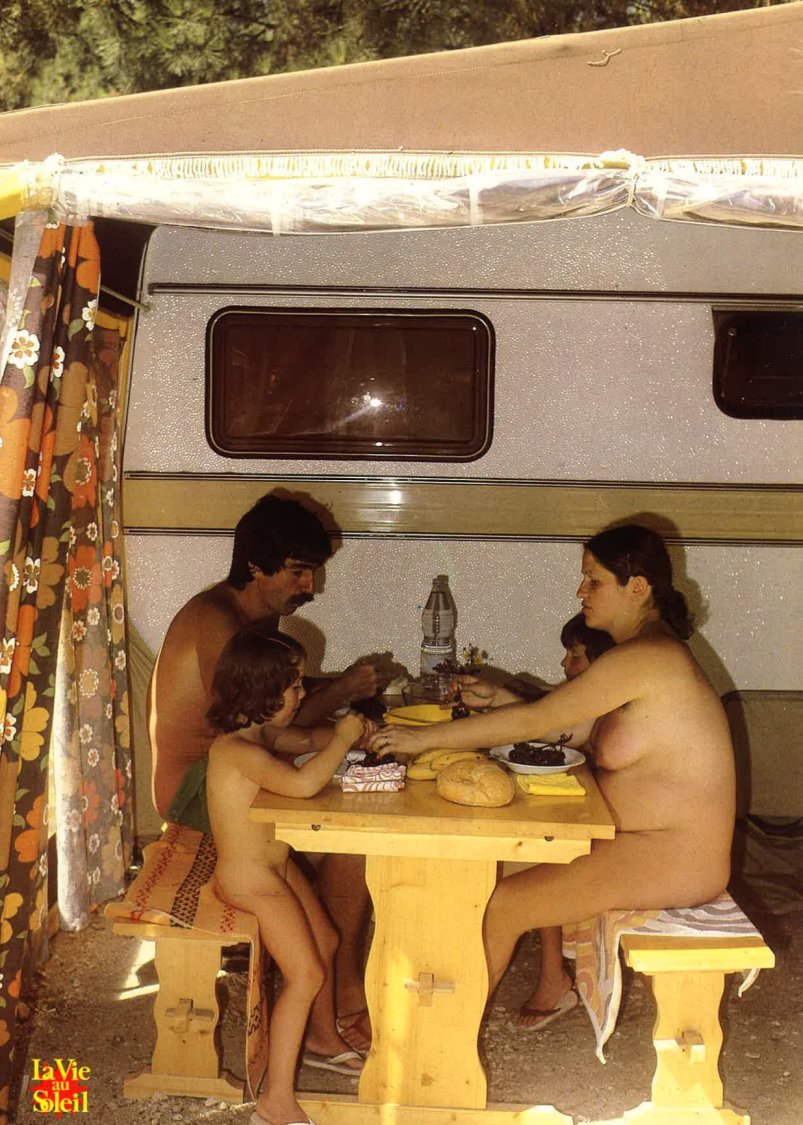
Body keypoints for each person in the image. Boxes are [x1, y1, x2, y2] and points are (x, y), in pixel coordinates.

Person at [369, 523, 736, 1006]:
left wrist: (420, 739)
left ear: (637, 588)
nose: (581, 591)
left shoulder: (651, 657)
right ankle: (416, 1004)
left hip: (677, 856)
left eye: (593, 580)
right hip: (635, 841)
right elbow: (574, 728)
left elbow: (538, 721)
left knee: (504, 907)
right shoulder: (640, 653)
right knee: (474, 867)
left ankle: (446, 1034)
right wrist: (499, 697)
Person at [148, 491, 389, 1050]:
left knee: (352, 775)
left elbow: (278, 721)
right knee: (350, 838)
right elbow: (266, 721)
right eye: (299, 571)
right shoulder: (216, 620)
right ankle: (343, 988)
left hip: (232, 767)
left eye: (314, 572)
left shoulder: (251, 615)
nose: (311, 587)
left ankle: (329, 987)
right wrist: (343, 696)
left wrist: (351, 722)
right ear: (256, 565)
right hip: (195, 790)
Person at [206, 622, 369, 1125]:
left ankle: (320, 1037)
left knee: (326, 940)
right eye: (295, 686)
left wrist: (352, 736)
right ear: (262, 692)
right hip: (249, 878)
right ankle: (275, 1101)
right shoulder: (238, 751)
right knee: (306, 973)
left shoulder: (259, 736)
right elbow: (302, 786)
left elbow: (303, 743)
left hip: (271, 865)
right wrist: (343, 738)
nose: (303, 693)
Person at [517, 613, 614, 1031]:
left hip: (612, 827)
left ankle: (552, 977)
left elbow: (553, 728)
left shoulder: (603, 698)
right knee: (535, 841)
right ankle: (552, 973)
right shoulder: (587, 693)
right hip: (593, 812)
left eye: (574, 655)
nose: (564, 664)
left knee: (533, 857)